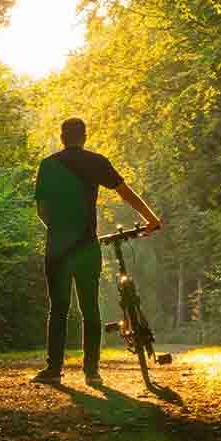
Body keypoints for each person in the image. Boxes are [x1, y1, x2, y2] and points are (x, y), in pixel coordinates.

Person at [32, 117, 161, 386]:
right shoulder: (97, 162)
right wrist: (151, 218)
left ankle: (53, 370)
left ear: (62, 136)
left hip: (57, 247)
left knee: (58, 309)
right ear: (85, 136)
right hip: (87, 246)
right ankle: (92, 371)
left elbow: (42, 210)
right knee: (90, 307)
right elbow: (125, 193)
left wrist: (58, 231)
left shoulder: (48, 165)